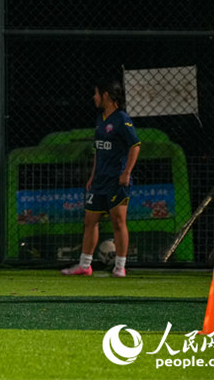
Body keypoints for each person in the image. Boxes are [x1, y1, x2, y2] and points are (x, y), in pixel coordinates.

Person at [62, 79, 140, 278]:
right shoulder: (100, 119)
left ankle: (120, 267)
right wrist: (92, 175)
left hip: (117, 181)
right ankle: (85, 265)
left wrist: (126, 172)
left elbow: (135, 146)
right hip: (99, 181)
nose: (94, 97)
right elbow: (99, 150)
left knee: (118, 222)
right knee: (90, 220)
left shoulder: (122, 119)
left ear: (106, 95)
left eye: (96, 93)